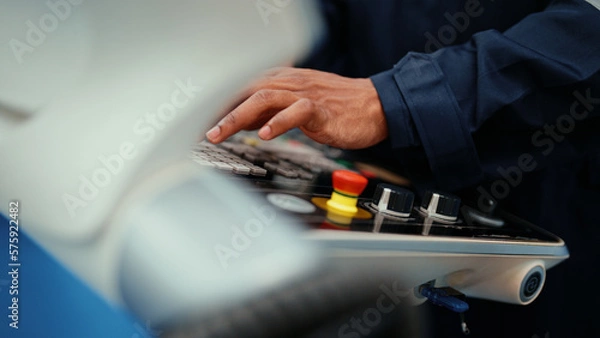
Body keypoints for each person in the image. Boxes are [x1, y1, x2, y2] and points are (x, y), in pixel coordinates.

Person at [207, 0, 600, 337]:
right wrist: (284, 50)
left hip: (535, 193)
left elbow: (585, 31)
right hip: (357, 157)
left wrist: (394, 100)